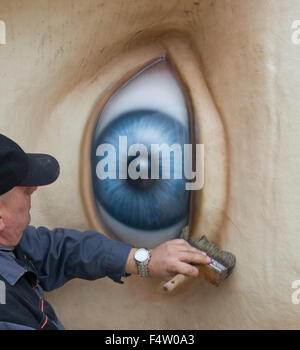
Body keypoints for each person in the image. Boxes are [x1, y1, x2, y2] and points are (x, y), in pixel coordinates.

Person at [0, 134, 211, 330]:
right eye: (26, 190)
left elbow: (61, 248)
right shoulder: (8, 312)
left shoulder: (11, 246)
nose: (34, 190)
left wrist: (144, 260)